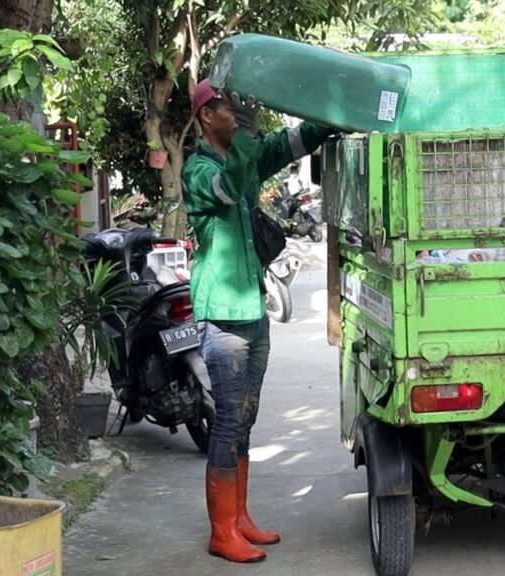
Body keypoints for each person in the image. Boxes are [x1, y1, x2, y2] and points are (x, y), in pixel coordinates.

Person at [183, 79, 335, 564]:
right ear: (207, 116)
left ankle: (240, 518)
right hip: (224, 313)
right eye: (228, 107)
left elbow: (290, 143)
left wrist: (329, 113)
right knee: (228, 420)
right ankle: (221, 531)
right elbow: (228, 190)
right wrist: (248, 142)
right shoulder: (199, 169)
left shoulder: (243, 157)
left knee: (245, 418)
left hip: (251, 306)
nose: (238, 114)